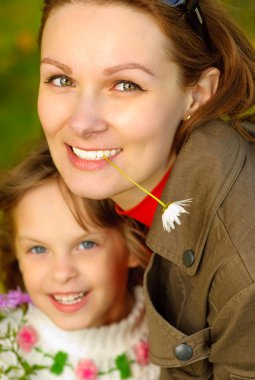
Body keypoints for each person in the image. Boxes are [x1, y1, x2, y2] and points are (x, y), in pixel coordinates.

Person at [37, 0, 255, 378]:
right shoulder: (69, 197)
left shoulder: (243, 271)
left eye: (125, 85)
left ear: (198, 94)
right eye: (61, 79)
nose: (82, 122)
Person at [0, 142, 160, 380]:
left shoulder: (172, 331)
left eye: (85, 245)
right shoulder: (7, 353)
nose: (62, 273)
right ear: (18, 254)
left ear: (132, 247)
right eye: (37, 249)